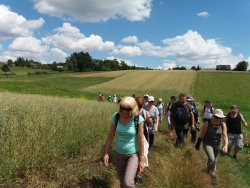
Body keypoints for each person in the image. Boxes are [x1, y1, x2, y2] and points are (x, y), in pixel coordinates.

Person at [103, 96, 145, 188]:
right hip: (118, 154)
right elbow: (110, 135)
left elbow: (141, 140)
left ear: (133, 109)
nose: (125, 111)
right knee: (122, 183)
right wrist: (106, 153)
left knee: (128, 183)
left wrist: (141, 159)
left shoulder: (138, 119)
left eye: (128, 109)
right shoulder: (116, 116)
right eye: (122, 108)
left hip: (133, 154)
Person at [195, 109, 228, 186]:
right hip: (207, 143)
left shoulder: (223, 124)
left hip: (217, 144)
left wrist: (225, 146)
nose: (218, 119)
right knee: (212, 158)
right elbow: (202, 134)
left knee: (214, 159)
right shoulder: (207, 123)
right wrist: (198, 143)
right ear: (213, 116)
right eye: (216, 117)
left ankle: (209, 167)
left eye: (219, 118)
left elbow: (225, 136)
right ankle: (213, 177)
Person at [134, 97, 153, 185]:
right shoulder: (145, 113)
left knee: (138, 156)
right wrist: (150, 121)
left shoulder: (134, 113)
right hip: (143, 138)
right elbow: (151, 123)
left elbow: (150, 123)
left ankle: (135, 175)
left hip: (138, 138)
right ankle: (136, 174)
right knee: (142, 156)